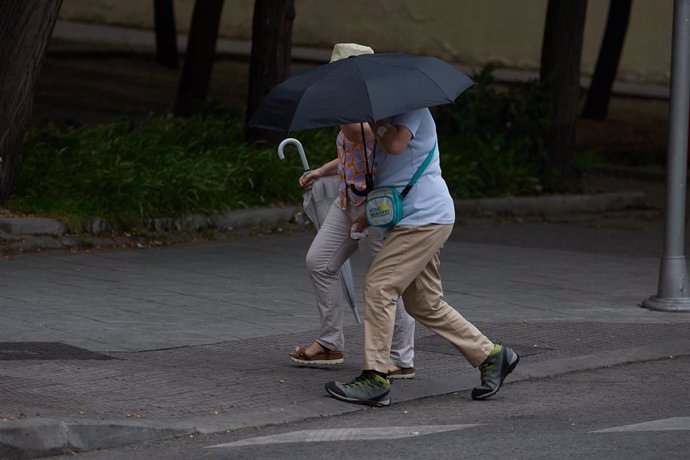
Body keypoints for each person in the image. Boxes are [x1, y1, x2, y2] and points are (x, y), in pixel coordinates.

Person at [325, 106, 520, 406]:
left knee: (379, 287)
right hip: (413, 218)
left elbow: (396, 144)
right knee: (424, 303)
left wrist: (374, 124)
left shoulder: (413, 108)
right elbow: (393, 175)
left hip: (424, 218)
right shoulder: (386, 118)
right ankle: (492, 355)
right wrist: (363, 218)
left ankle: (375, 378)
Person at [289, 43, 417, 379]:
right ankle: (331, 341)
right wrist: (320, 171)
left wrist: (338, 101)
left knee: (384, 282)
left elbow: (355, 135)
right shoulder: (350, 105)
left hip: (374, 207)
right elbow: (348, 153)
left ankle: (402, 357)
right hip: (345, 202)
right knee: (319, 262)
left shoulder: (375, 110)